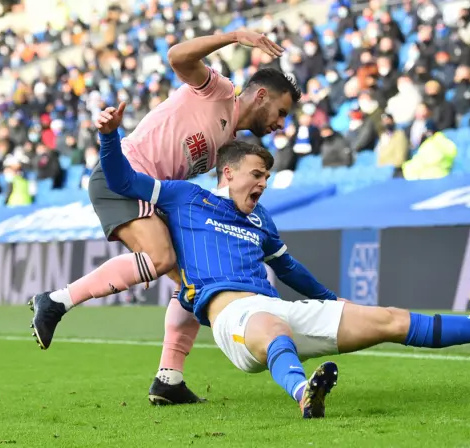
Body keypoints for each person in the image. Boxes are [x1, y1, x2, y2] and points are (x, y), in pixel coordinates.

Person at [94, 104, 470, 419]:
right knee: (272, 329)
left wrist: (331, 302)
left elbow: (290, 271)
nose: (263, 185)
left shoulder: (262, 220)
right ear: (227, 173)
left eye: (268, 178)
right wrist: (109, 134)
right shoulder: (185, 197)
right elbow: (120, 179)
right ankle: (303, 393)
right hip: (234, 318)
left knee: (388, 319)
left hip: (280, 309)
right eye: (257, 175)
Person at [28, 30, 301, 406]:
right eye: (281, 112)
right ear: (261, 95)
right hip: (123, 175)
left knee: (196, 280)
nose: (281, 123)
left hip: (149, 194)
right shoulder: (218, 90)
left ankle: (168, 379)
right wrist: (237, 37)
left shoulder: (230, 144)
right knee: (162, 258)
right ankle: (56, 300)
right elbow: (176, 56)